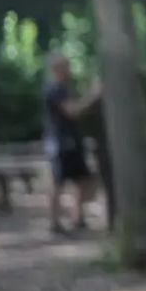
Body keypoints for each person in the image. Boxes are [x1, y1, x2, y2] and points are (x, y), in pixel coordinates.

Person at [42, 52, 101, 235]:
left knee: (85, 180)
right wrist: (94, 94)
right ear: (56, 69)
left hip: (72, 141)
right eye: (66, 66)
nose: (69, 69)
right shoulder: (54, 89)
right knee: (58, 183)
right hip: (61, 143)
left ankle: (78, 217)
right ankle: (55, 223)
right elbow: (72, 111)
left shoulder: (64, 88)